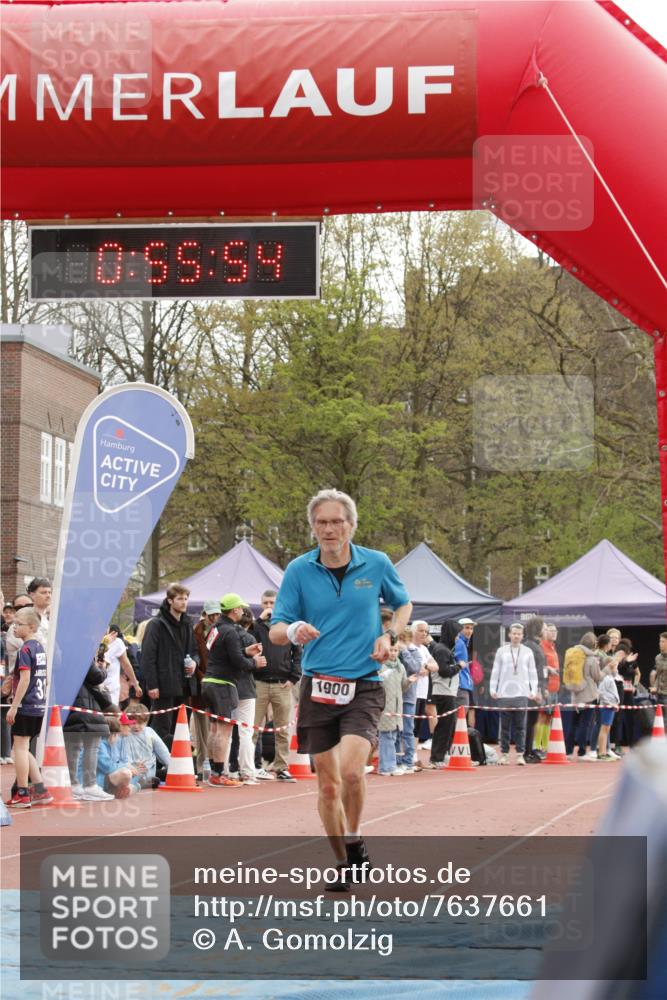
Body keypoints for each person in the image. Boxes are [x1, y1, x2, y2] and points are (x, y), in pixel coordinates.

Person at [269, 488, 412, 886]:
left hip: (363, 684)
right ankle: (346, 862)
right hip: (318, 686)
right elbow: (276, 630)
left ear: (351, 525)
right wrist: (295, 629)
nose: (329, 529)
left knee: (352, 773)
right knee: (328, 786)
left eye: (337, 522)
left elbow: (403, 605)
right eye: (322, 522)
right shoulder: (299, 570)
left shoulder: (376, 563)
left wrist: (391, 635)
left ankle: (354, 835)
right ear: (313, 527)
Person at [202, 593, 266, 788]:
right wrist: (254, 662)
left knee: (215, 728)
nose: (243, 612)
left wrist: (246, 651)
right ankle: (220, 773)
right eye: (241, 608)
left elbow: (219, 653)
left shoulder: (215, 628)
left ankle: (214, 770)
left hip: (209, 681)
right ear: (235, 610)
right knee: (224, 730)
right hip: (223, 684)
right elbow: (237, 661)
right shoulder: (230, 631)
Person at [141, 583, 199, 749]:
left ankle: (176, 766)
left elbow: (194, 650)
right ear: (170, 600)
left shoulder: (188, 624)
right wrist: (152, 684)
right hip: (164, 685)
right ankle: (159, 767)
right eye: (180, 598)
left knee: (181, 728)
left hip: (185, 685)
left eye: (186, 599)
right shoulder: (156, 624)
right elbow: (147, 656)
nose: (184, 602)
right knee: (161, 729)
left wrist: (195, 662)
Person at [252, 589, 302, 780]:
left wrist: (293, 678)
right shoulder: (256, 627)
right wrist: (259, 619)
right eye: (265, 603)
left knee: (282, 729)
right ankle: (251, 766)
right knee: (253, 728)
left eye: (272, 603)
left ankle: (281, 767)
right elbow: (246, 639)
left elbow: (297, 654)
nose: (269, 607)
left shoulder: (287, 626)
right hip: (259, 682)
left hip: (282, 683)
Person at [5, 607, 52, 807]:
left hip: (26, 705)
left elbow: (25, 679)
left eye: (19, 624)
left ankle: (22, 792)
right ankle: (40, 789)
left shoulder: (25, 649)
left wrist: (14, 706)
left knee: (19, 750)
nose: (14, 627)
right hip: (38, 705)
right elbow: (45, 679)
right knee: (25, 748)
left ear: (31, 627)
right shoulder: (39, 648)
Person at [63, 657, 114, 800]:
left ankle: (74, 784)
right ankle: (90, 785)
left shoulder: (65, 648)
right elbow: (96, 676)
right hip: (87, 703)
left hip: (71, 701)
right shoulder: (84, 650)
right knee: (92, 746)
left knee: (73, 746)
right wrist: (103, 668)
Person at [489, 623, 539, 765]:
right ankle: (504, 754)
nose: (516, 636)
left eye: (519, 633)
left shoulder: (528, 651)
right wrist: (493, 689)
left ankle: (520, 754)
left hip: (522, 693)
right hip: (504, 693)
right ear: (509, 634)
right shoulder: (501, 651)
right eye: (514, 633)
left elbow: (532, 672)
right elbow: (495, 671)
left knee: (521, 726)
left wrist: (533, 690)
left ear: (522, 636)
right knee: (504, 726)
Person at [192, 601, 220, 778]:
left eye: (217, 614)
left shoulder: (221, 631)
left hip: (218, 683)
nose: (215, 618)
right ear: (205, 614)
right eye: (212, 614)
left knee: (217, 727)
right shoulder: (195, 632)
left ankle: (217, 763)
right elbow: (194, 656)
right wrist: (202, 677)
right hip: (199, 684)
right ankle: (202, 764)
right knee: (201, 728)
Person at [376, 649, 409, 775]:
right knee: (386, 735)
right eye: (391, 650)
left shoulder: (401, 667)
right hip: (385, 706)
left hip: (397, 707)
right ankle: (386, 767)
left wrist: (409, 681)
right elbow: (375, 682)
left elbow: (403, 687)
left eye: (396, 650)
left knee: (393, 736)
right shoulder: (380, 666)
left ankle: (390, 764)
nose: (393, 653)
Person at [102, 624, 142, 707]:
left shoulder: (117, 642)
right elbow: (126, 665)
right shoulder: (115, 643)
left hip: (109, 689)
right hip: (101, 689)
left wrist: (135, 684)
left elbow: (127, 665)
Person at [597, 659, 621, 761]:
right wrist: (610, 704)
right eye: (615, 666)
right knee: (604, 729)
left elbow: (616, 675)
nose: (616, 668)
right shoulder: (606, 678)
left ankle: (604, 752)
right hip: (607, 706)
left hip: (611, 706)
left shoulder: (610, 677)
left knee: (607, 729)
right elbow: (601, 692)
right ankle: (601, 753)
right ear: (610, 666)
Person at [650, 631, 667, 709]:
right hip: (659, 694)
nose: (660, 643)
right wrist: (654, 687)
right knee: (659, 719)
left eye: (663, 641)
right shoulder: (658, 657)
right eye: (660, 641)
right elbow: (658, 675)